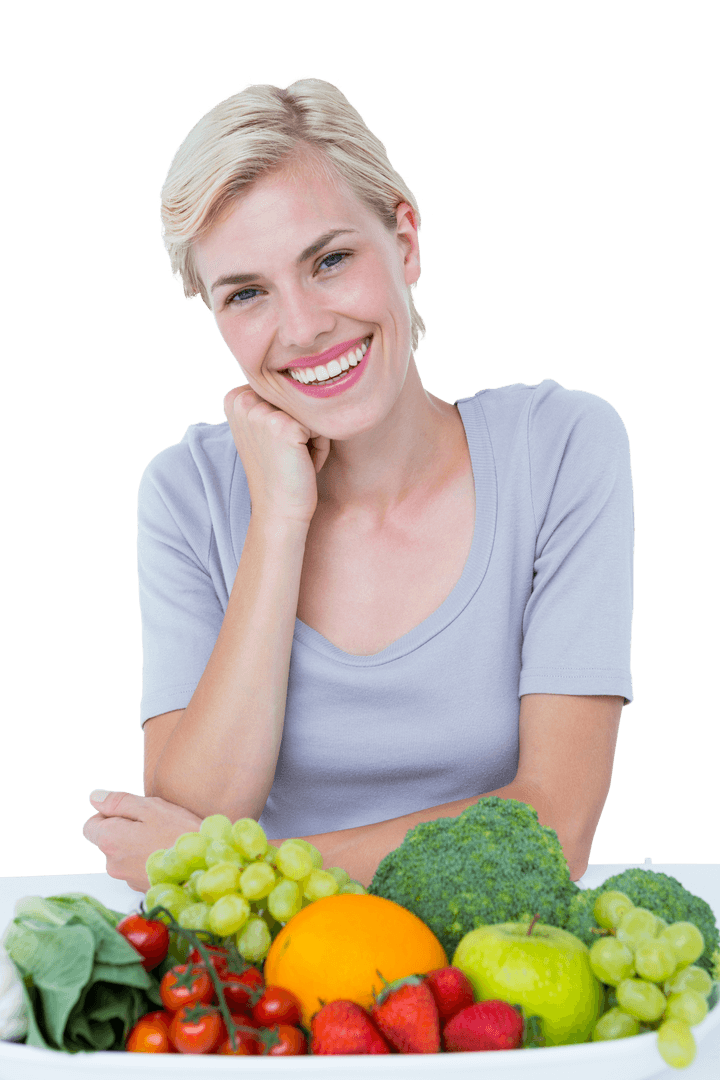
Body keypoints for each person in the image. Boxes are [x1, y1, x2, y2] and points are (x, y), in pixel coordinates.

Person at [82, 76, 634, 894]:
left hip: (499, 988)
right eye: (246, 294)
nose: (302, 328)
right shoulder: (187, 492)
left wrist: (254, 870)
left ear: (405, 241)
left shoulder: (558, 448)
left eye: (330, 260)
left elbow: (553, 828)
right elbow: (190, 809)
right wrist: (278, 519)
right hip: (281, 1003)